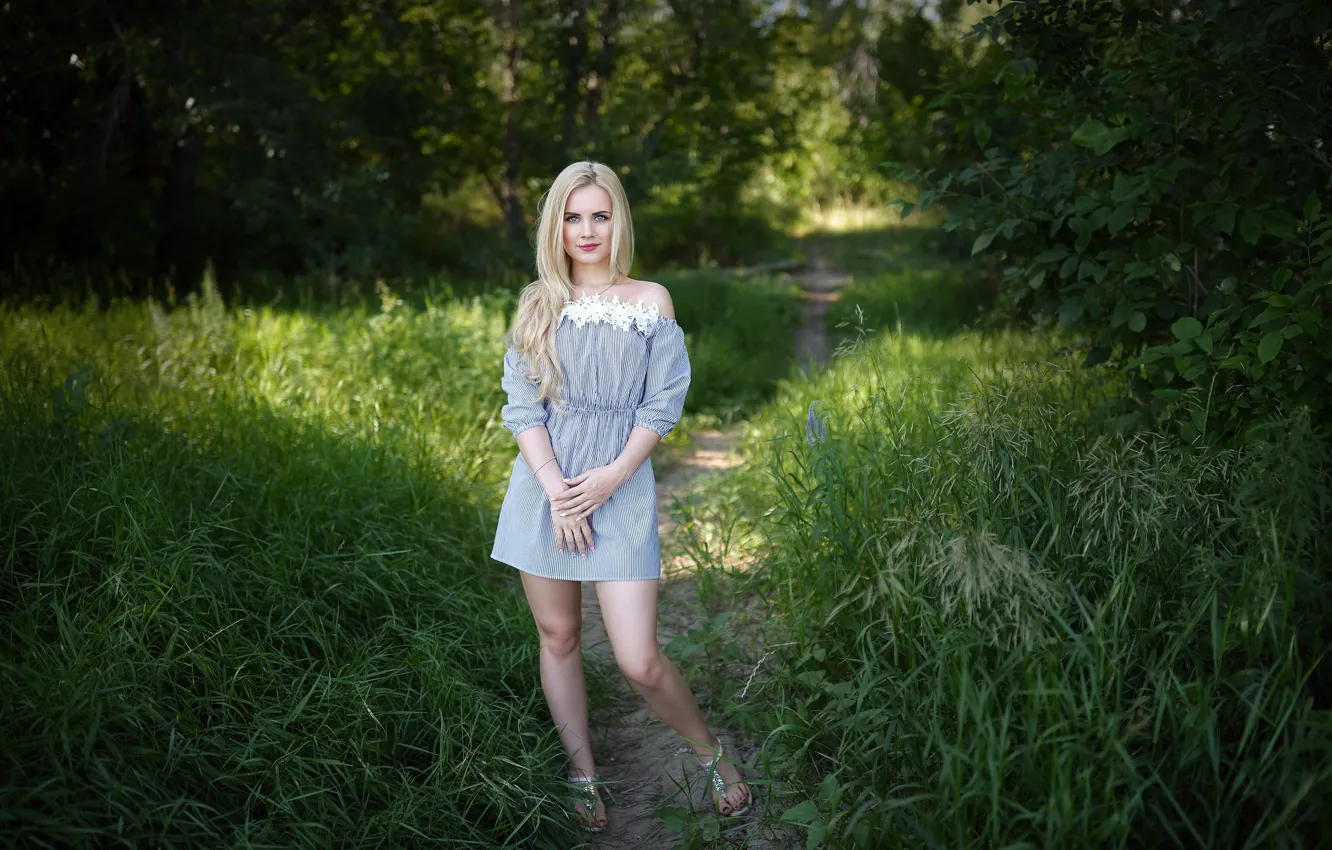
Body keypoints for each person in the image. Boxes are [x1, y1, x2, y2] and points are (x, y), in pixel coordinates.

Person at [490, 161, 753, 832]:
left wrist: (608, 478)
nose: (586, 230)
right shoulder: (537, 302)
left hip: (621, 485)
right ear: (556, 224)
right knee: (559, 634)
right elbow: (524, 410)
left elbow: (662, 406)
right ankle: (583, 776)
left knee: (638, 656)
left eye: (599, 215)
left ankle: (713, 757)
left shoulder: (650, 301)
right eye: (573, 217)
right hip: (546, 490)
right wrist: (558, 492)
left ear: (618, 221)